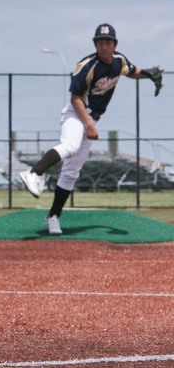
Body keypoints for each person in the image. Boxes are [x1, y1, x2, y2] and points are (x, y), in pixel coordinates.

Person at [18, 24, 163, 235]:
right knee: (69, 145)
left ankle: (53, 216)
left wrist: (150, 74)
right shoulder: (87, 66)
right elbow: (75, 98)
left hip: (90, 118)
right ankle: (33, 173)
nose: (104, 46)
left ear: (115, 44)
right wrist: (89, 124)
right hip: (76, 114)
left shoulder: (119, 60)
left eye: (108, 42)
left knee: (70, 173)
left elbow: (131, 71)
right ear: (95, 44)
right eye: (100, 42)